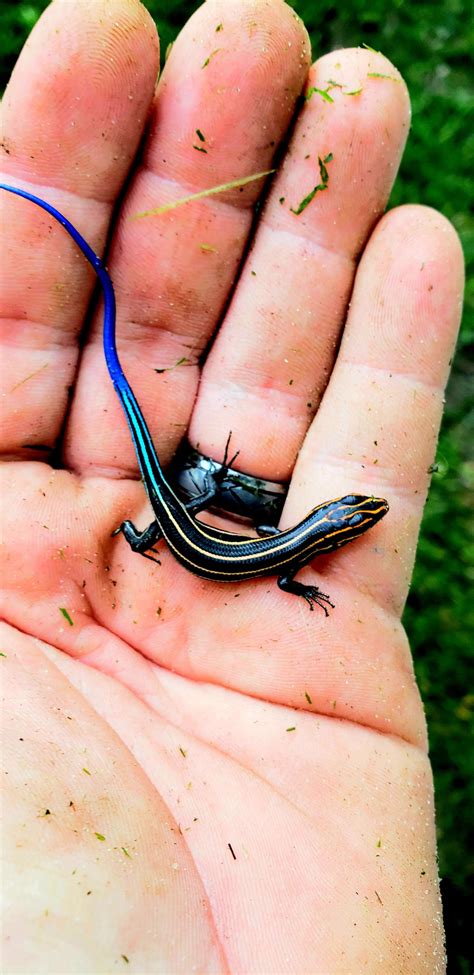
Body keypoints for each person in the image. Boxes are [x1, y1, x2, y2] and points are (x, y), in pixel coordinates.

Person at [0, 0, 463, 971]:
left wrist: (163, 533)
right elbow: (286, 568)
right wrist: (155, 539)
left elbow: (287, 560)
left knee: (160, 452)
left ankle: (155, 489)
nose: (352, 521)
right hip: (176, 528)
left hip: (183, 524)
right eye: (349, 518)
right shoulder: (289, 559)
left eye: (348, 521)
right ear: (323, 535)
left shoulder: (292, 553)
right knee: (164, 470)